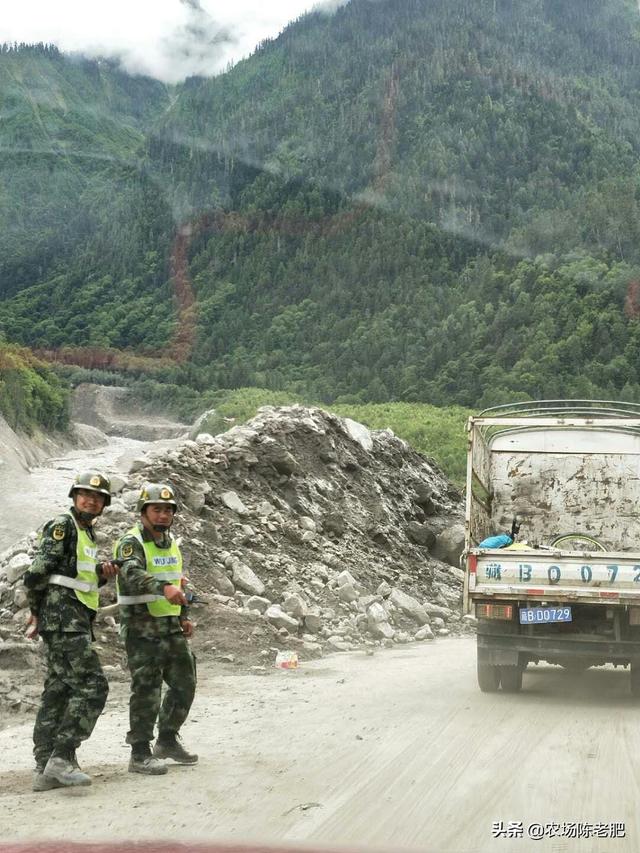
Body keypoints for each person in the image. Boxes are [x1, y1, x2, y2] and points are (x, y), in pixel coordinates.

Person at [23, 470, 117, 791]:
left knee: (59, 688)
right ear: (74, 497)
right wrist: (36, 612)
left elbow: (78, 578)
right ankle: (62, 756)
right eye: (85, 495)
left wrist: (102, 576)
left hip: (72, 617)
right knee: (93, 685)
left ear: (104, 504)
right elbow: (35, 573)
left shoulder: (87, 534)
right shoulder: (64, 525)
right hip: (63, 619)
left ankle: (44, 766)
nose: (91, 500)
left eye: (98, 497)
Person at [114, 482, 197, 775]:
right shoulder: (130, 542)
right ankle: (139, 753)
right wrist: (164, 588)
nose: (162, 515)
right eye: (156, 509)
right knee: (147, 689)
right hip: (141, 626)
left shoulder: (171, 543)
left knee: (185, 682)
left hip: (170, 625)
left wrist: (184, 613)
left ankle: (167, 740)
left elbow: (177, 579)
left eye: (167, 510)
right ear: (144, 512)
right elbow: (133, 572)